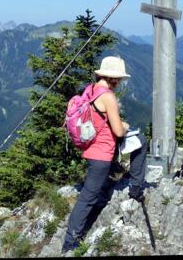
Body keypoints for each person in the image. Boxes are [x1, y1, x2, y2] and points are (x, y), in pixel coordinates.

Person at [61, 56, 149, 253]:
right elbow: (118, 131)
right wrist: (125, 126)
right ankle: (70, 242)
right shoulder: (108, 96)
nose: (119, 83)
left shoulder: (91, 89)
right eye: (119, 79)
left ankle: (132, 184)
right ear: (114, 79)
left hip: (92, 147)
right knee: (88, 197)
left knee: (141, 142)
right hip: (101, 154)